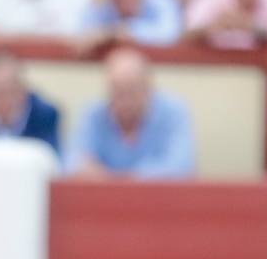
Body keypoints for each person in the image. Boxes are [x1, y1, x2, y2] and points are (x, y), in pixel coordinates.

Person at [66, 47, 195, 178]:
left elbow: (180, 168)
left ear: (149, 88)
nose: (125, 101)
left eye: (132, 92)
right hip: (103, 198)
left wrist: (114, 179)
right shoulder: (93, 114)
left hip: (161, 198)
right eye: (118, 92)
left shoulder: (173, 112)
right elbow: (73, 164)